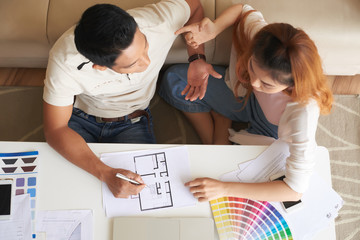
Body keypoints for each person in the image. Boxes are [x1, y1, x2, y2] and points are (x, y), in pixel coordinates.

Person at [43, 0, 221, 199]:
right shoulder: (65, 61)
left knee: (144, 195)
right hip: (81, 119)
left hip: (132, 121)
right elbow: (56, 129)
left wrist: (197, 58)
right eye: (134, 63)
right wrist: (105, 173)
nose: (148, 62)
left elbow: (194, 6)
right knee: (65, 192)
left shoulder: (158, 22)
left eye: (145, 45)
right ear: (100, 67)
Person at [159, 4, 333, 201]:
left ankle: (221, 127)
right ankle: (216, 140)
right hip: (243, 97)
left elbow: (294, 190)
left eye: (267, 84)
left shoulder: (303, 112)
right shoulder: (265, 41)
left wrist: (224, 189)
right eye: (252, 67)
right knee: (174, 80)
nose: (254, 82)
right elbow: (243, 10)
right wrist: (215, 28)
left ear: (292, 84)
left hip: (271, 130)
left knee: (239, 174)